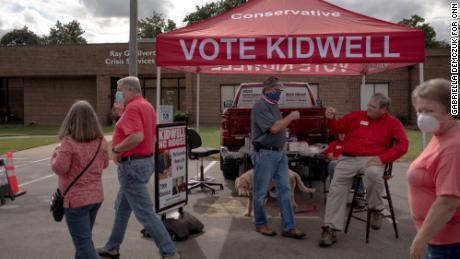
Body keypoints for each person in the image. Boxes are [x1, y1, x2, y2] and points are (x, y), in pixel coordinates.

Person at [97, 76, 180, 259]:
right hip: (143, 162)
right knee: (122, 207)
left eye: (119, 90)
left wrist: (117, 149)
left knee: (145, 213)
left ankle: (169, 251)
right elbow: (151, 137)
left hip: (132, 167)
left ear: (129, 89)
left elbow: (137, 136)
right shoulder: (146, 106)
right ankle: (112, 246)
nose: (117, 94)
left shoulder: (133, 107)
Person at [319, 93, 409, 247]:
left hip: (372, 159)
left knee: (374, 174)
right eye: (368, 104)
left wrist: (382, 159)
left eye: (372, 107)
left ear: (383, 109)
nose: (368, 108)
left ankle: (375, 209)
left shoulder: (393, 123)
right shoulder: (357, 116)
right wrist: (330, 118)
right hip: (348, 158)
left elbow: (403, 145)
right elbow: (337, 127)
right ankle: (330, 228)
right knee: (336, 188)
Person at [407, 78, 460, 259]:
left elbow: (448, 202)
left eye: (429, 111)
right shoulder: (441, 134)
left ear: (450, 111)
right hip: (439, 239)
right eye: (420, 111)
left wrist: (420, 241)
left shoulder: (453, 147)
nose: (423, 117)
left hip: (449, 244)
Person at [51, 100, 109, 259]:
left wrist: (55, 154)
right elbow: (104, 164)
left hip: (76, 201)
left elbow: (59, 168)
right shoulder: (101, 142)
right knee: (84, 241)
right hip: (95, 197)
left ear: (71, 119)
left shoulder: (68, 143)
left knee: (83, 245)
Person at [250, 76, 306, 239]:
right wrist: (290, 117)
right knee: (260, 192)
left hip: (279, 153)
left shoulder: (273, 105)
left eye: (280, 91)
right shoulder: (260, 105)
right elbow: (274, 129)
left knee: (285, 189)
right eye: (277, 90)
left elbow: (279, 127)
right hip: (265, 154)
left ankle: (289, 227)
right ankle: (261, 224)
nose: (279, 93)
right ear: (268, 89)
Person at [325, 133, 366, 209]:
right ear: (337, 135)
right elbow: (329, 156)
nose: (343, 136)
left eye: (345, 134)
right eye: (340, 134)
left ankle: (359, 196)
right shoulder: (334, 143)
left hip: (350, 166)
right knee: (332, 163)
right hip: (338, 165)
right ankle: (336, 189)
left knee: (358, 167)